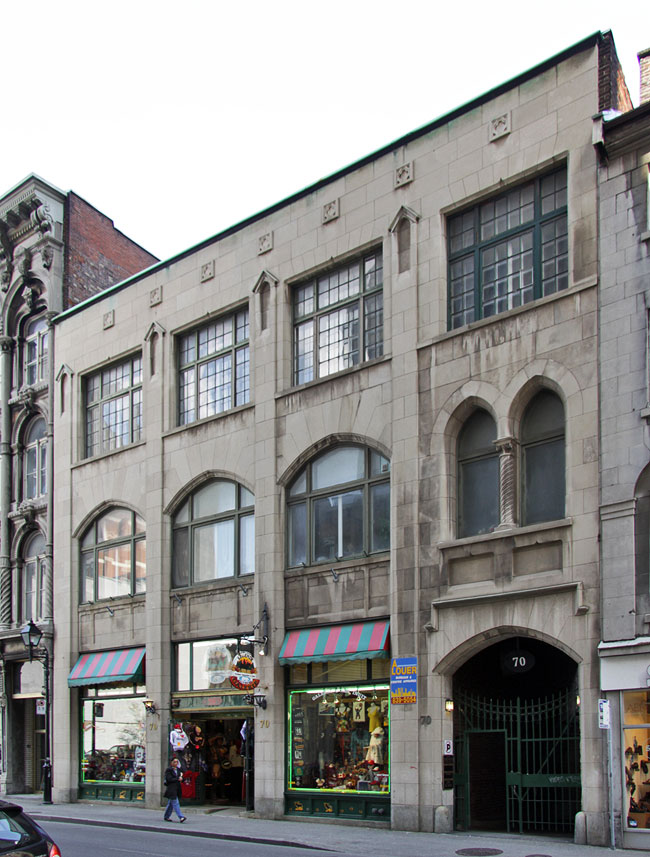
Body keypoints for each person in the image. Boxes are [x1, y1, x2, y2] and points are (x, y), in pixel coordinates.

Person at [163, 758, 186, 823]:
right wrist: (177, 779)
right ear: (171, 763)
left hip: (177, 788)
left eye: (177, 762)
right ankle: (181, 817)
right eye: (174, 762)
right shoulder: (169, 770)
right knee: (176, 803)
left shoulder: (178, 770)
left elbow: (182, 778)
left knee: (170, 804)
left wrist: (182, 779)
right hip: (171, 789)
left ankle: (166, 816)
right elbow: (169, 779)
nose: (176, 763)